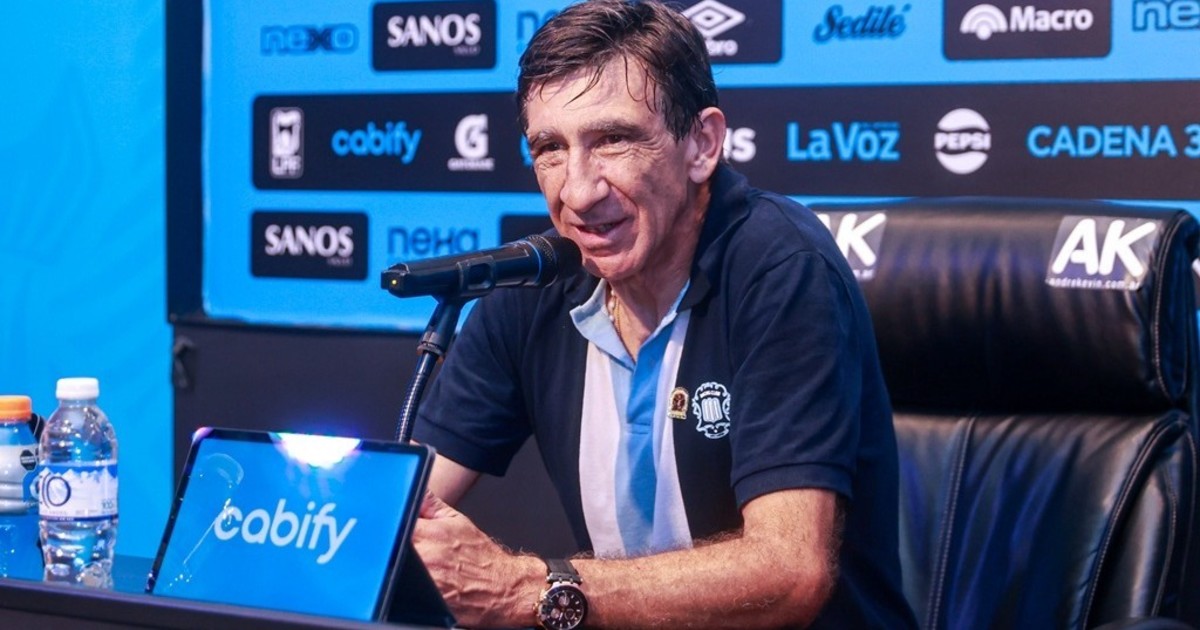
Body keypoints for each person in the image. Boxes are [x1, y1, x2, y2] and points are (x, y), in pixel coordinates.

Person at [411, 1, 917, 627]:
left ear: (702, 145)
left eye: (613, 140)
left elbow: (790, 571)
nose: (578, 191)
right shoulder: (536, 284)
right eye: (550, 148)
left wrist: (527, 588)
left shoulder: (781, 267)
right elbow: (400, 506)